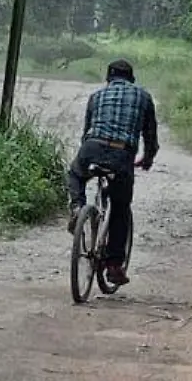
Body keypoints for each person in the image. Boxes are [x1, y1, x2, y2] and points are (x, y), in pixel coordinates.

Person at [67, 59, 158, 287]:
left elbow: (86, 130)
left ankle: (78, 207)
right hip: (121, 154)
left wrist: (88, 154)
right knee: (120, 207)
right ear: (132, 78)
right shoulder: (143, 96)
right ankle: (114, 265)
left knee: (76, 173)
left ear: (108, 77)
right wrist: (147, 159)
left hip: (92, 148)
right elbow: (150, 136)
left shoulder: (97, 95)